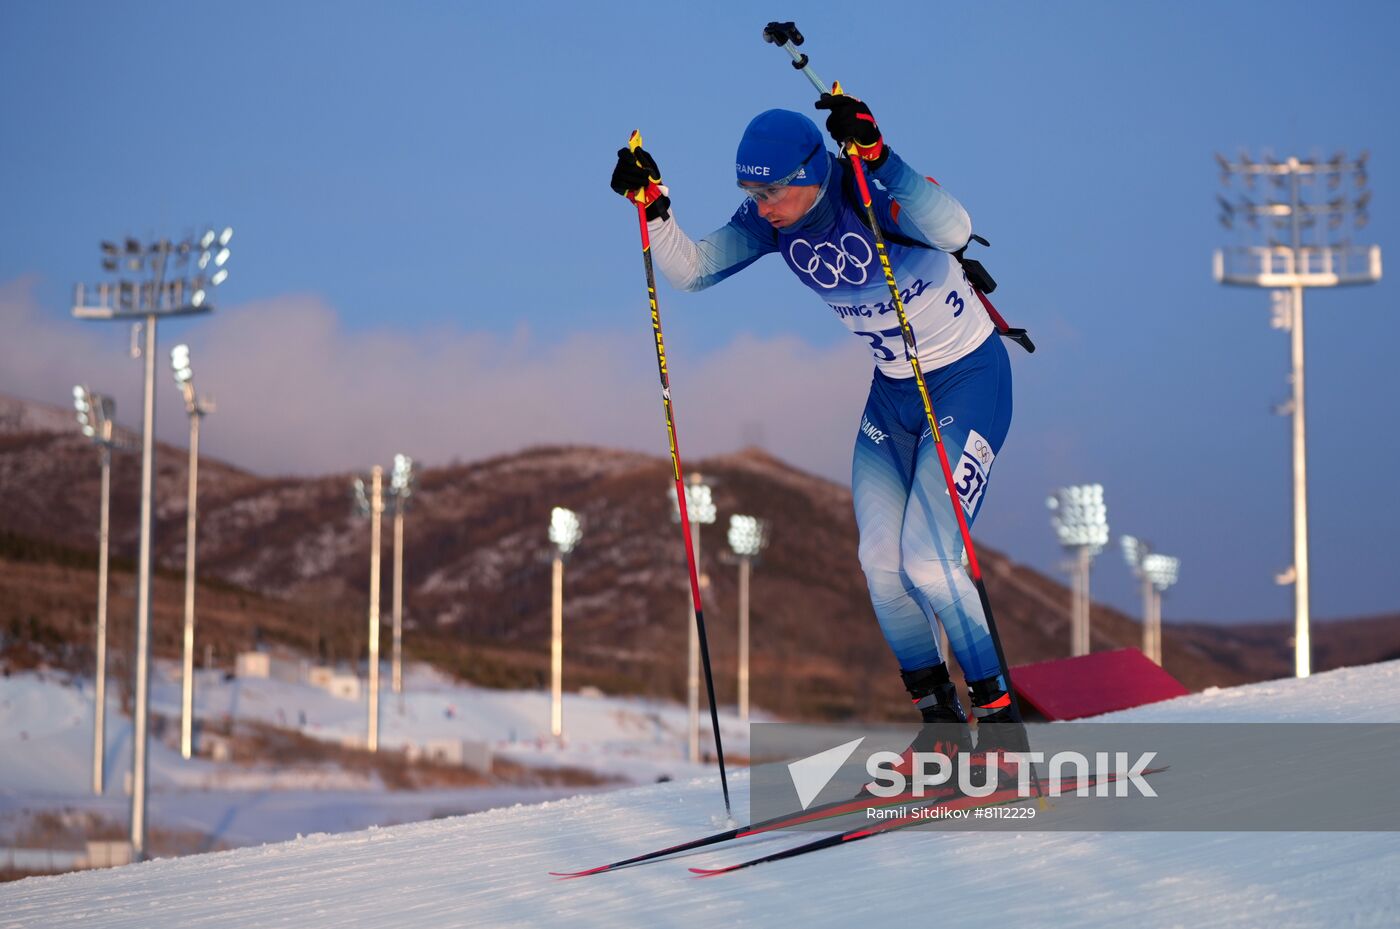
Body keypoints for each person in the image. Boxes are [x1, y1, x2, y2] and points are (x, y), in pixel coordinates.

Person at [611, 95, 1020, 759]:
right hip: (893, 399)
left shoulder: (868, 189)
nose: (760, 203)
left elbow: (954, 230)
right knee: (881, 566)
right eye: (750, 190)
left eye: (770, 189)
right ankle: (941, 725)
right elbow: (692, 270)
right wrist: (653, 209)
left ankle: (1003, 728)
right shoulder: (772, 222)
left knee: (931, 561)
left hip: (967, 382)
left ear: (809, 173)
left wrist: (881, 156)